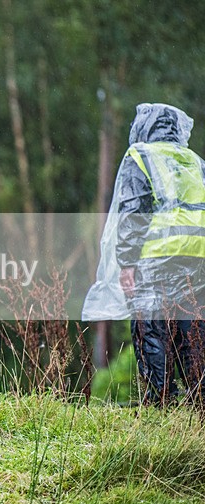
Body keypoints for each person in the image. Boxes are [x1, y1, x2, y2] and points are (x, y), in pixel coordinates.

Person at [97, 103, 205, 405]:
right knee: (192, 329)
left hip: (157, 257)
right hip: (198, 258)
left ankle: (160, 398)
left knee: (152, 328)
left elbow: (133, 212)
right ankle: (200, 399)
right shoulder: (193, 160)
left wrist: (127, 262)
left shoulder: (141, 156)